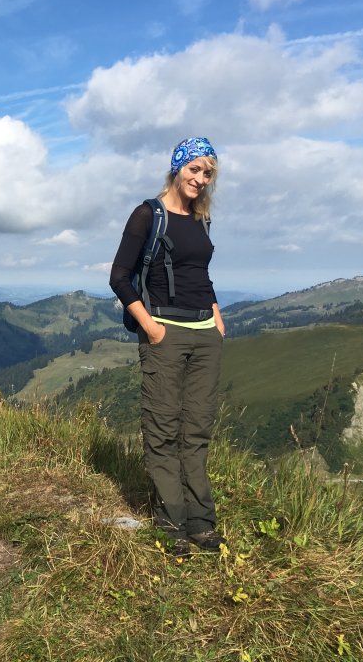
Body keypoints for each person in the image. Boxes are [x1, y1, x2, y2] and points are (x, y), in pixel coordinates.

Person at [109, 137, 226, 557]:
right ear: (177, 168)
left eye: (207, 172)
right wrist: (151, 328)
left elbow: (200, 273)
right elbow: (119, 277)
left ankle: (201, 523)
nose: (200, 178)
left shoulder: (200, 218)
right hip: (165, 332)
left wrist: (216, 314)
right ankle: (172, 524)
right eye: (194, 169)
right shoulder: (148, 214)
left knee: (196, 430)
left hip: (205, 333)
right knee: (162, 429)